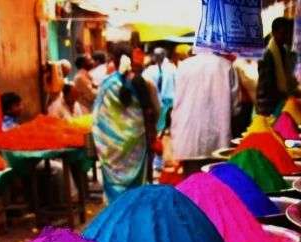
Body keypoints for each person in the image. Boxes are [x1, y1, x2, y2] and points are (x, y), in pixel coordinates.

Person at [92, 43, 156, 202]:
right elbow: (149, 111)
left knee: (116, 186)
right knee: (136, 188)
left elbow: (98, 117)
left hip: (111, 148)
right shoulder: (139, 81)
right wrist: (152, 134)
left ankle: (115, 215)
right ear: (131, 56)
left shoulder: (106, 85)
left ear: (113, 59)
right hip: (137, 146)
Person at [171, 52, 239, 160]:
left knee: (192, 176)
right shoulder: (226, 66)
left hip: (187, 140)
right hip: (218, 142)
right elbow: (236, 108)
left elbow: (175, 101)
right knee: (215, 175)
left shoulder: (183, 66)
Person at [256, 17, 297, 116]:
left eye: (288, 33)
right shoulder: (267, 54)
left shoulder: (283, 51)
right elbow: (268, 85)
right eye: (283, 33)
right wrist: (287, 95)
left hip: (278, 103)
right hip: (267, 106)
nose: (286, 36)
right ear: (274, 32)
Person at [143, 47, 177, 132]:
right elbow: (177, 81)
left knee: (159, 121)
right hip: (169, 98)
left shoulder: (150, 70)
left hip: (159, 100)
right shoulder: (172, 67)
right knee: (163, 120)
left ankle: (159, 133)